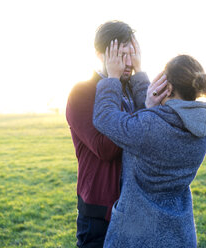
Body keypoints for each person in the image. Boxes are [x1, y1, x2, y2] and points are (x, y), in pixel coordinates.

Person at [93, 39, 206, 248]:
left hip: (138, 235)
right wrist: (140, 75)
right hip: (179, 234)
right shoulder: (203, 128)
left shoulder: (150, 126)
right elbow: (157, 116)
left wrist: (112, 77)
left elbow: (105, 117)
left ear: (167, 86)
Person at [66, 20, 150, 247]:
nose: (128, 63)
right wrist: (112, 81)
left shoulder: (136, 88)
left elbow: (152, 133)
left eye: (132, 54)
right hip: (99, 214)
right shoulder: (81, 93)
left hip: (138, 209)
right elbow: (104, 148)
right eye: (120, 55)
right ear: (100, 55)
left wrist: (141, 76)